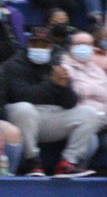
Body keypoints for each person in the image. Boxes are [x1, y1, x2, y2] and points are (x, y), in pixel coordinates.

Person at [2, 35, 98, 177]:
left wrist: (64, 87)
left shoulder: (57, 65)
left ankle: (68, 163)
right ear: (28, 46)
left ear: (51, 47)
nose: (39, 49)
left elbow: (70, 103)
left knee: (89, 112)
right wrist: (52, 85)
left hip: (51, 117)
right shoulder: (13, 65)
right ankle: (33, 162)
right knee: (23, 108)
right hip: (21, 121)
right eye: (35, 44)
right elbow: (21, 95)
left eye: (44, 45)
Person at [61, 31, 107, 165]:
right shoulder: (63, 68)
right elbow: (71, 97)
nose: (84, 47)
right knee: (91, 142)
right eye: (79, 44)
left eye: (88, 44)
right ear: (70, 47)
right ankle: (78, 171)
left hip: (104, 123)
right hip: (80, 123)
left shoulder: (99, 71)